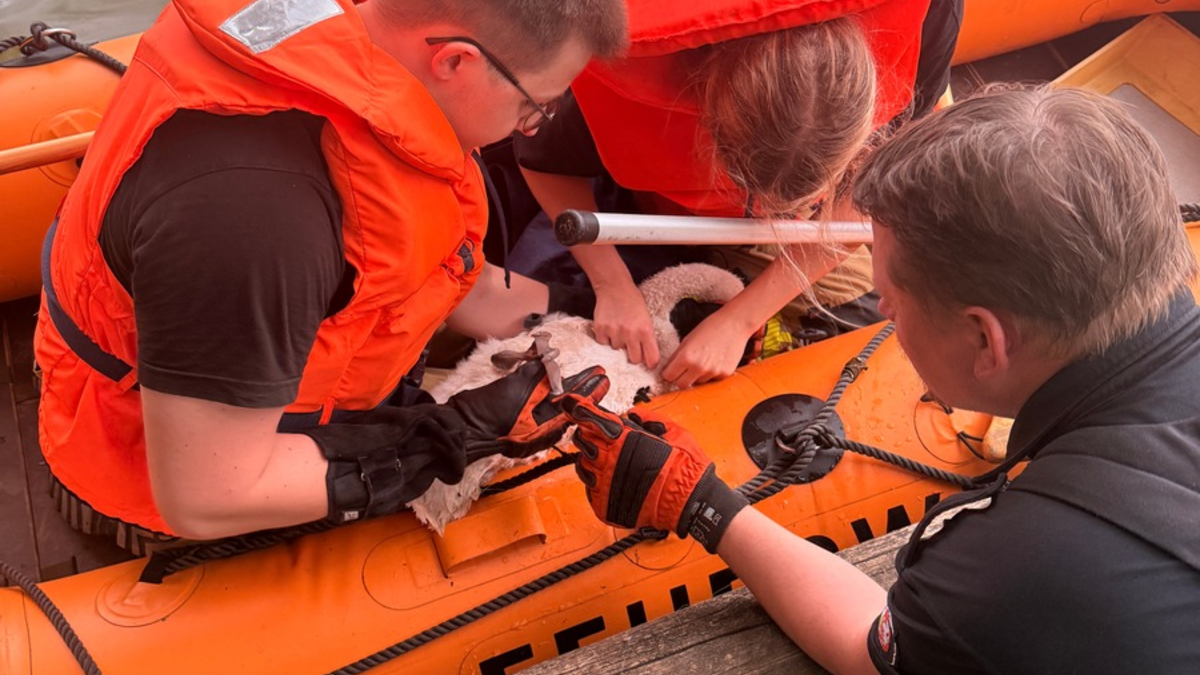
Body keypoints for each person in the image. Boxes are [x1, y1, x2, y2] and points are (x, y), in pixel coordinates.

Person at [563, 85, 1200, 674]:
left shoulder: (1023, 568)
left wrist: (702, 505)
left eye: (890, 297)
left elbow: (869, 648)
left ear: (987, 340)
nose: (881, 310)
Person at [34, 0, 627, 549]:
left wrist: (590, 308)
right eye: (535, 108)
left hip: (257, 398)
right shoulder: (255, 219)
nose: (534, 125)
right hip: (173, 494)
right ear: (455, 61)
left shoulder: (367, 49)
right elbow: (205, 496)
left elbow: (450, 279)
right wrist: (456, 436)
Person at [505, 0, 964, 388]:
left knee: (874, 319)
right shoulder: (600, 41)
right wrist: (612, 287)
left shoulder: (930, 16)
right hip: (644, 211)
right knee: (541, 318)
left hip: (806, 229)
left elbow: (874, 194)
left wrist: (740, 320)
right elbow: (544, 163)